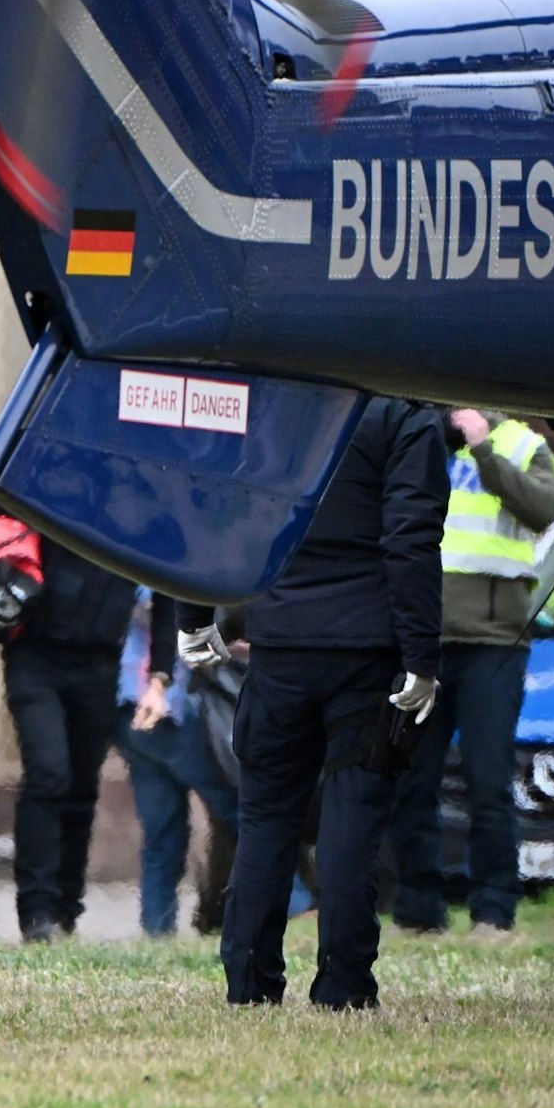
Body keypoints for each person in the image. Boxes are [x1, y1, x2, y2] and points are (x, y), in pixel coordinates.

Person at [180, 398, 448, 1009]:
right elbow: (411, 538)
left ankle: (249, 985)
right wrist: (422, 657)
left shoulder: (270, 400)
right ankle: (344, 988)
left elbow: (206, 503)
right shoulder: (404, 414)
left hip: (278, 647)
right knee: (353, 827)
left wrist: (193, 616)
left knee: (265, 821)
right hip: (367, 651)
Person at [387, 410, 554, 936]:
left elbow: (542, 510)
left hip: (493, 641)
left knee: (489, 782)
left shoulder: (524, 446)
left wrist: (484, 450)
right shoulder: (420, 439)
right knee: (412, 781)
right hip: (422, 640)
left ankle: (493, 910)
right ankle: (418, 911)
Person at [3, 546, 169, 942]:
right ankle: (36, 911)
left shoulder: (135, 518)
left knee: (80, 786)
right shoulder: (56, 504)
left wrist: (160, 677)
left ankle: (65, 909)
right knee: (47, 774)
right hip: (34, 654)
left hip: (99, 661)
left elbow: (167, 593)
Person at [114, 589, 239, 937]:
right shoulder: (167, 572)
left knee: (162, 833)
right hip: (165, 706)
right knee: (238, 809)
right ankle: (297, 904)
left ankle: (157, 930)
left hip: (129, 701)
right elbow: (163, 607)